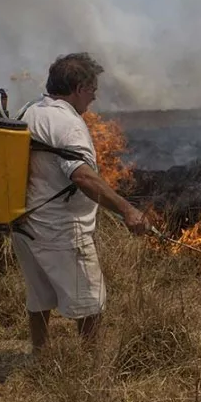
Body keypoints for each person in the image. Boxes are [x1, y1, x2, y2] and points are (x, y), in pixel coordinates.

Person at [12, 52, 151, 355]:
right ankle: (91, 369)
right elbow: (83, 178)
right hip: (60, 230)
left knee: (39, 297)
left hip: (24, 225)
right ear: (77, 88)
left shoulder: (29, 110)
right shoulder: (68, 124)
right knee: (90, 301)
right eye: (92, 90)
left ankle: (41, 356)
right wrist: (127, 210)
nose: (94, 97)